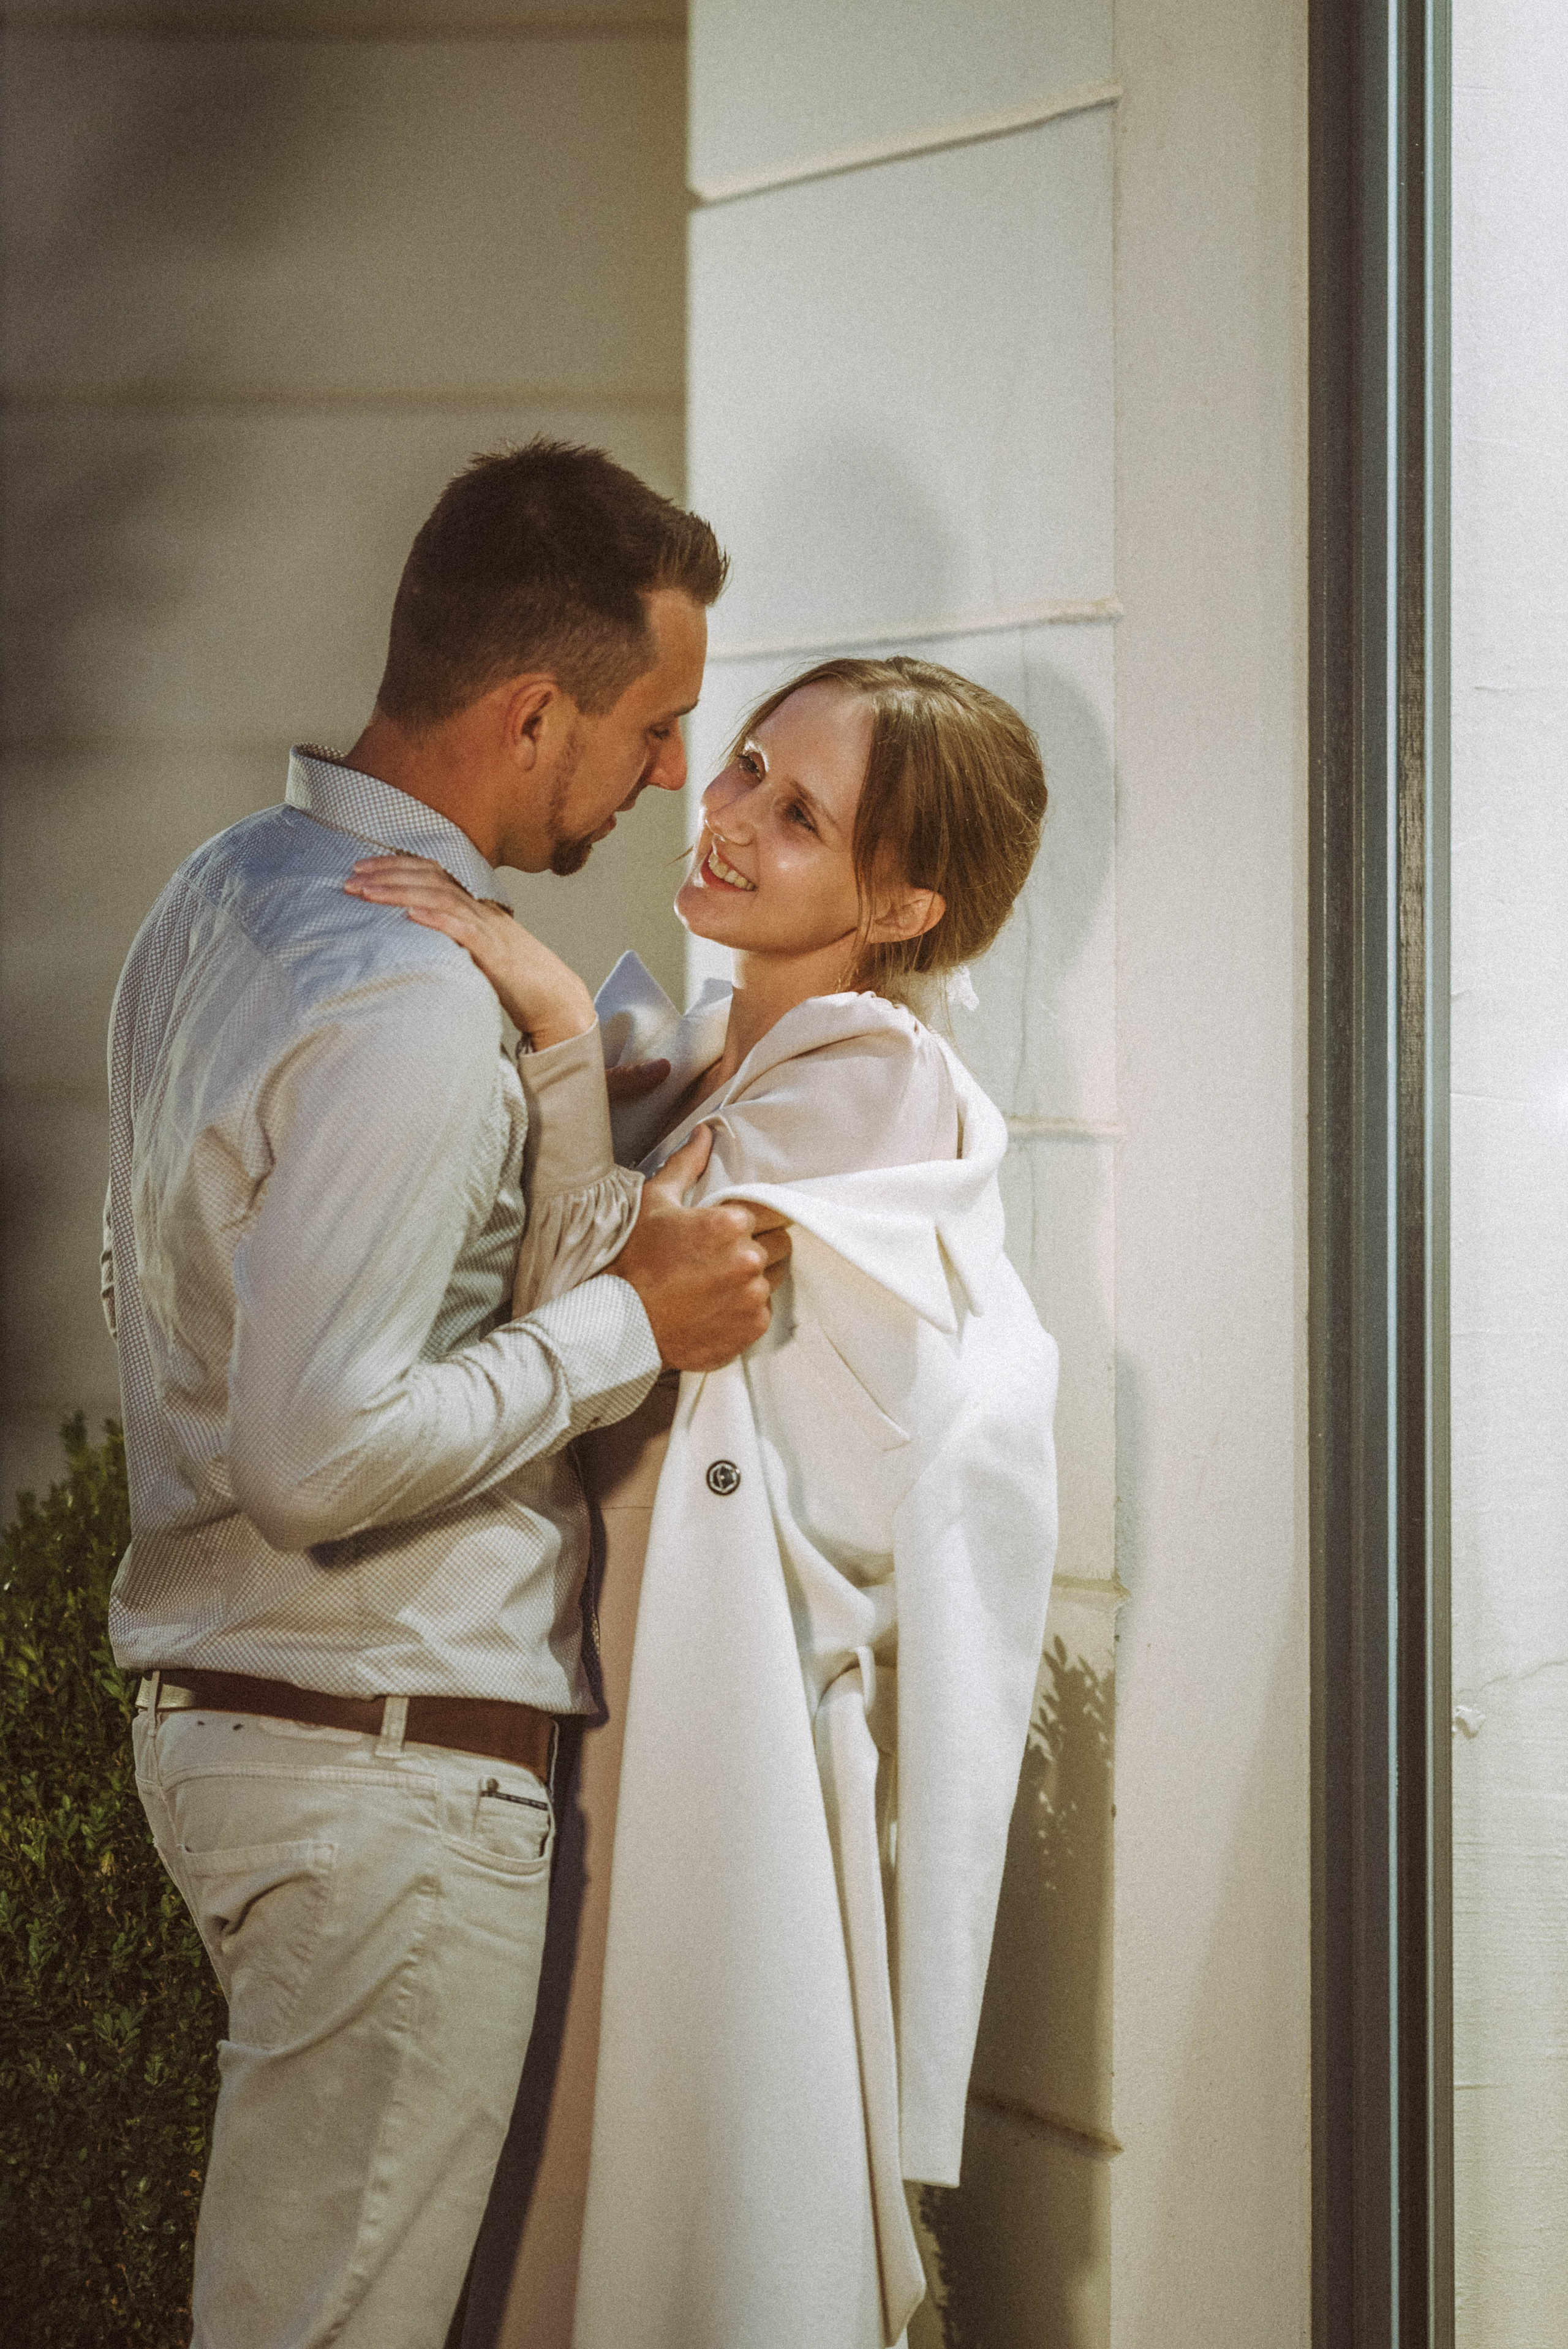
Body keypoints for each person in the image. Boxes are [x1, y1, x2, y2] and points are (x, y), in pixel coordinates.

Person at [103, 441, 793, 2349]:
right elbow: (318, 1451)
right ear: (533, 708)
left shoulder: (229, 890)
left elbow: (410, 1294)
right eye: (656, 729)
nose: (673, 779)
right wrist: (637, 1324)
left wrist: (570, 1037)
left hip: (271, 1733)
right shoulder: (406, 999)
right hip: (378, 1772)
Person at [350, 655, 1061, 2349]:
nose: (727, 814)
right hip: (616, 1694)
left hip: (709, 1733)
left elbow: (624, 1287)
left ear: (903, 898)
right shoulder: (700, 1060)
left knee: (665, 2199)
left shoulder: (871, 1072)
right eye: (745, 766)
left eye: (796, 814)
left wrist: (545, 1023)